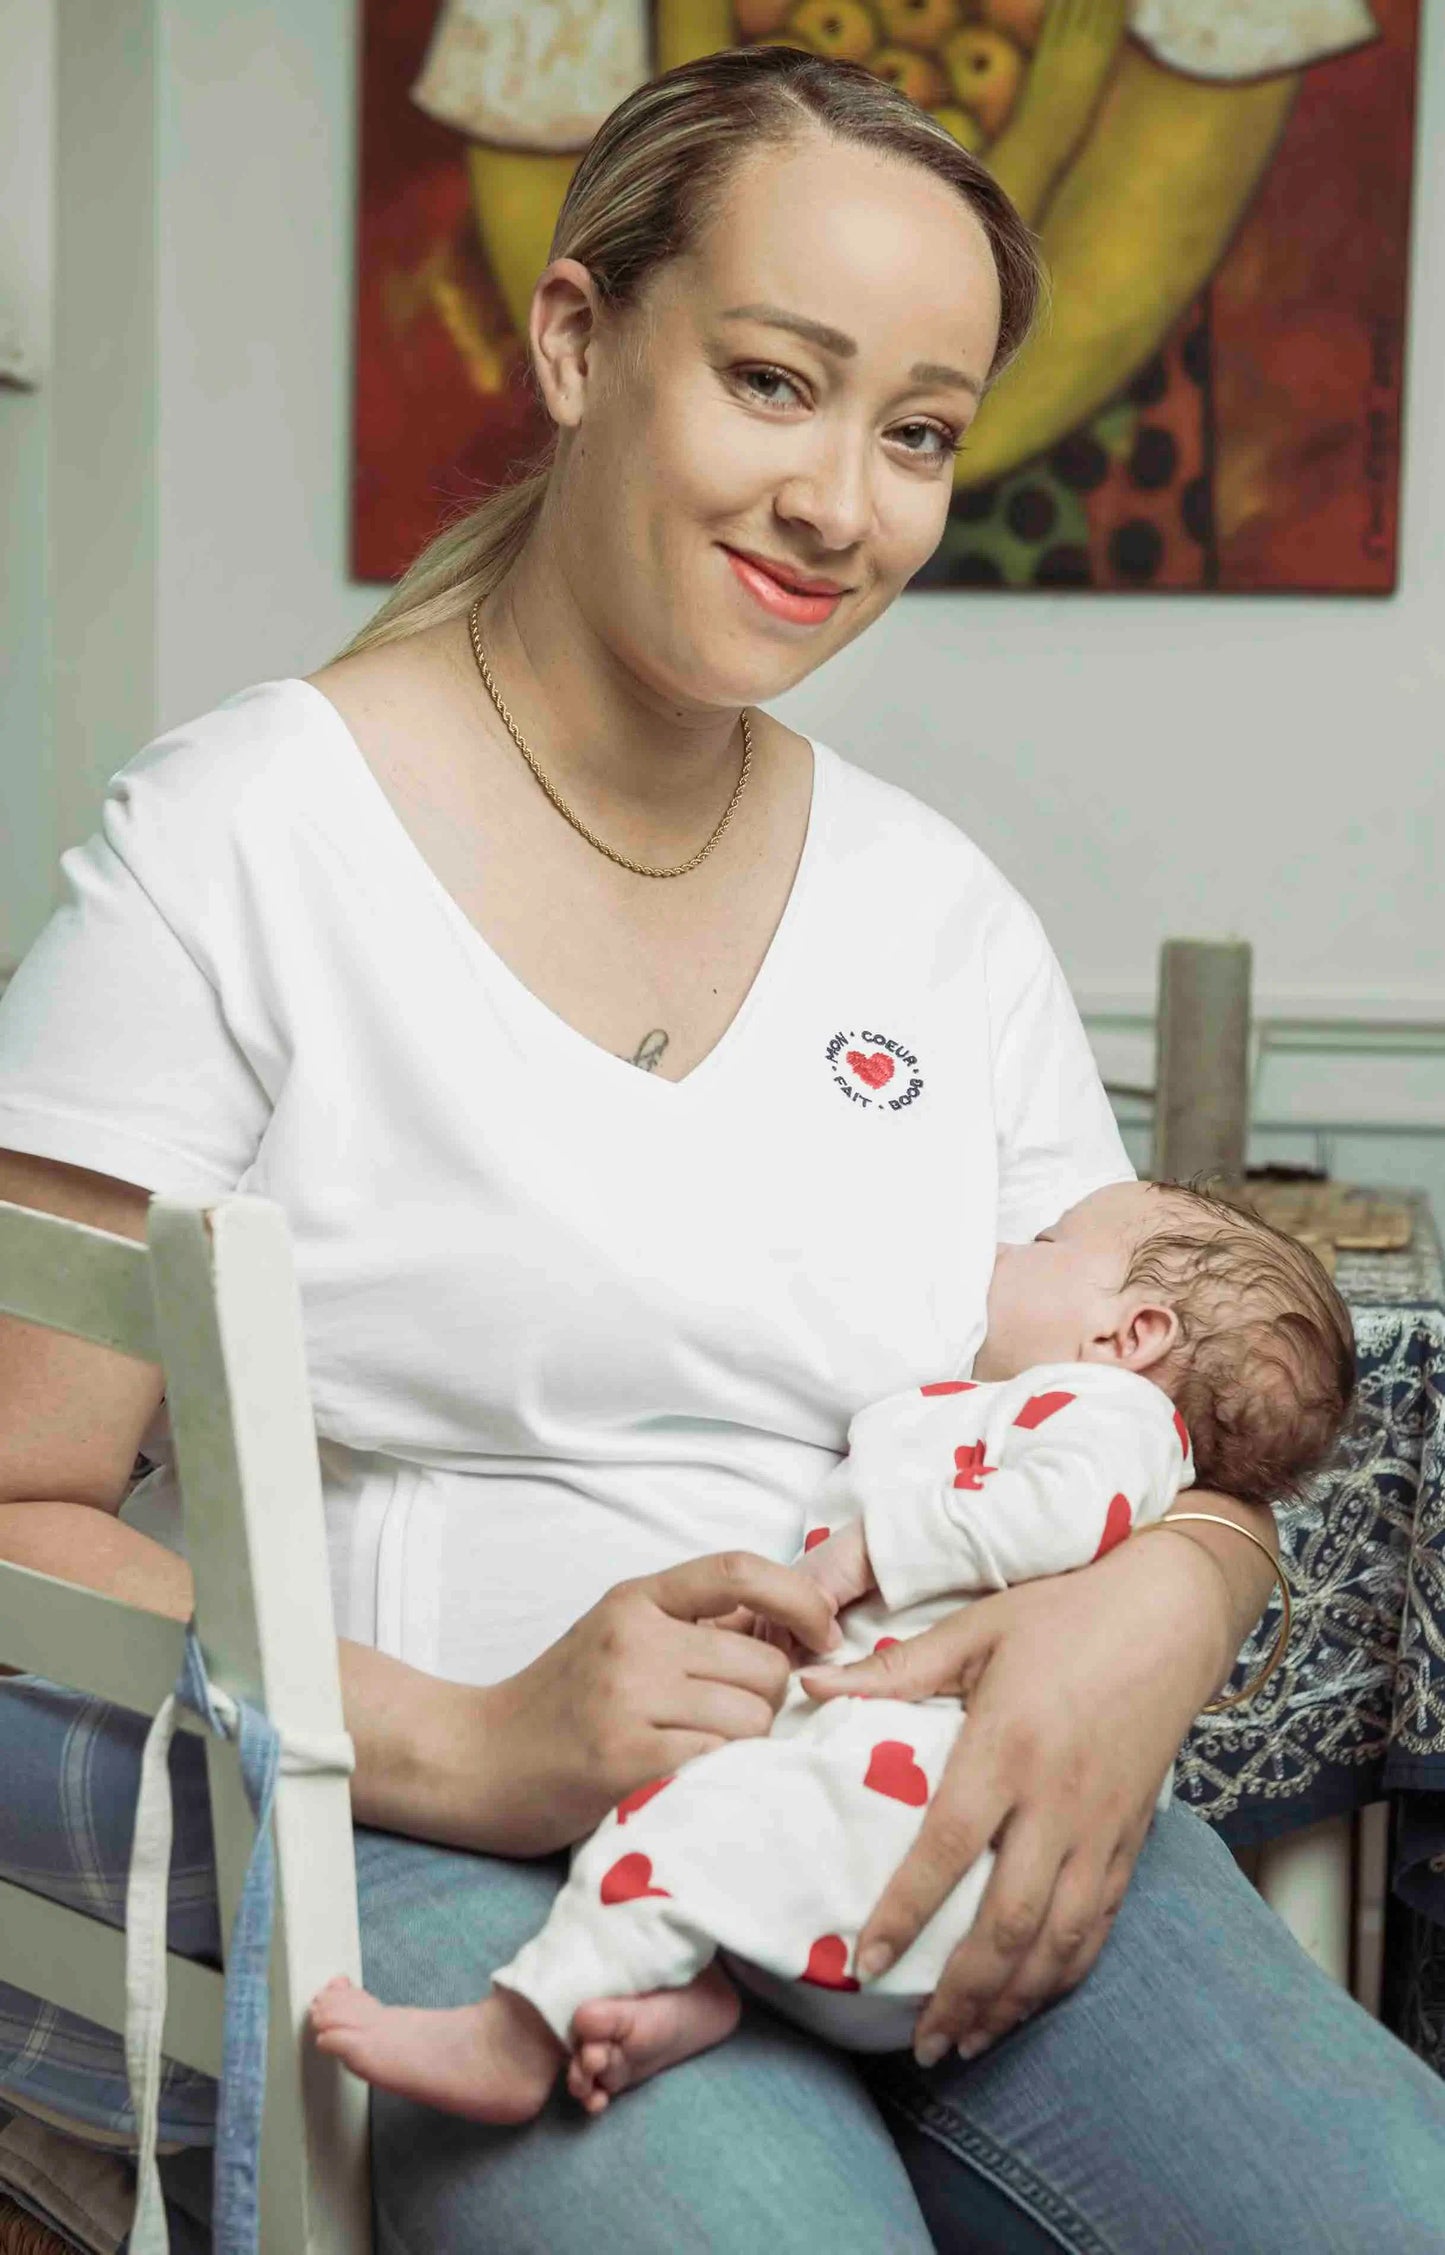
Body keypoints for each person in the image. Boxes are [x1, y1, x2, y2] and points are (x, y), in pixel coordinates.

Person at [0, 43, 1442, 2255]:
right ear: (577, 341)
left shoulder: (935, 913)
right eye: (774, 381)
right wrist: (472, 1736)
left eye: (918, 433)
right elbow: (14, 1509)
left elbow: (1154, 1405)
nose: (841, 504)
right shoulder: (238, 846)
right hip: (426, 1820)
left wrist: (1161, 1599)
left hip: (909, 1791)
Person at [306, 1178, 1355, 2120]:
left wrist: (867, 1553)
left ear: (1130, 1332)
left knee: (683, 1819)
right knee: (739, 1822)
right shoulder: (1037, 1402)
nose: (1001, 1247)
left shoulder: (1104, 1412)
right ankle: (696, 1993)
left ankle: (515, 2034)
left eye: (1040, 1239)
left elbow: (1059, 1511)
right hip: (877, 1831)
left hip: (926, 1820)